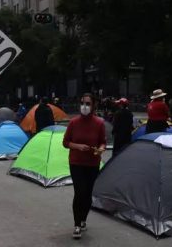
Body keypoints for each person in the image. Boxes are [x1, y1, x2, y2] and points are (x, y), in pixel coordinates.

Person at [63, 93, 106, 239]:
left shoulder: (99, 123)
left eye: (88, 104)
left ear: (93, 105)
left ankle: (83, 220)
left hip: (93, 163)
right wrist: (78, 146)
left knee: (88, 194)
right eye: (82, 103)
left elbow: (103, 141)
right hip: (76, 162)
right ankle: (76, 225)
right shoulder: (73, 122)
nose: (84, 106)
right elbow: (65, 142)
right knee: (80, 192)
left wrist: (101, 148)